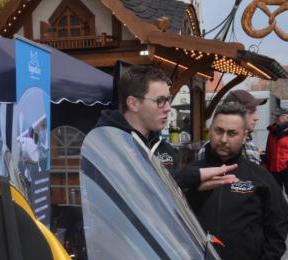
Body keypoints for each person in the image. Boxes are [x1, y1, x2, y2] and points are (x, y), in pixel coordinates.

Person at [186, 102, 288, 260]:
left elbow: (278, 226)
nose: (224, 139)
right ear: (210, 131)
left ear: (244, 136)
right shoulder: (190, 175)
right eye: (219, 131)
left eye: (232, 133)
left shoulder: (259, 177)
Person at [94, 65, 239, 192]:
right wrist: (192, 177)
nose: (168, 108)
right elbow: (136, 184)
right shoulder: (107, 142)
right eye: (160, 101)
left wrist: (194, 189)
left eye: (168, 100)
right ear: (133, 103)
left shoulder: (164, 149)